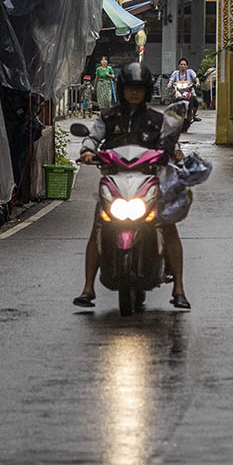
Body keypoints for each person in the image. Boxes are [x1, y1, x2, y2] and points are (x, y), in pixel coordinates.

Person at [72, 61, 190, 310]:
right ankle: (88, 288)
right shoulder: (108, 116)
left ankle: (179, 289)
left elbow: (171, 143)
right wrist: (87, 151)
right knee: (98, 227)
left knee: (168, 226)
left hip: (149, 179)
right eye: (130, 88)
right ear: (122, 89)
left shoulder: (157, 119)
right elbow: (93, 138)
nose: (134, 93)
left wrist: (176, 154)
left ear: (146, 91)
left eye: (139, 88)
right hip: (115, 179)